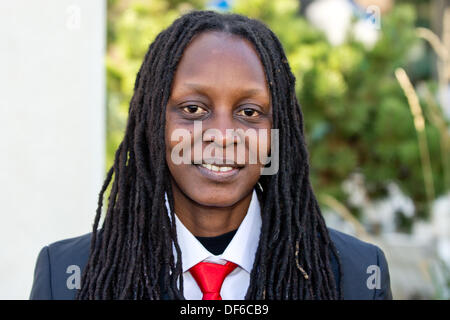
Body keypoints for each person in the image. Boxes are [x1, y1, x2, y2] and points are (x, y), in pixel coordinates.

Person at [30, 10, 392, 300]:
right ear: (153, 123)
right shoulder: (68, 277)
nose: (221, 135)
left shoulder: (356, 277)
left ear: (277, 132)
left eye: (249, 113)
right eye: (192, 109)